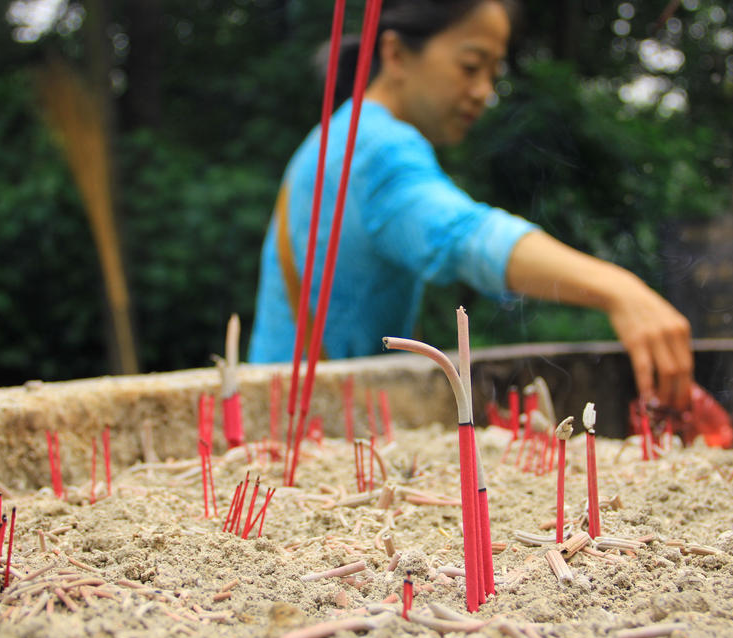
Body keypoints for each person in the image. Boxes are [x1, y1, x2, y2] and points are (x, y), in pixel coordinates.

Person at [249, 0, 693, 411]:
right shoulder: (374, 148)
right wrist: (619, 288)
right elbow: (465, 237)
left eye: (493, 73)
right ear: (396, 54)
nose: (484, 91)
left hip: (289, 410)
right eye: (470, 66)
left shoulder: (344, 133)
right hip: (302, 426)